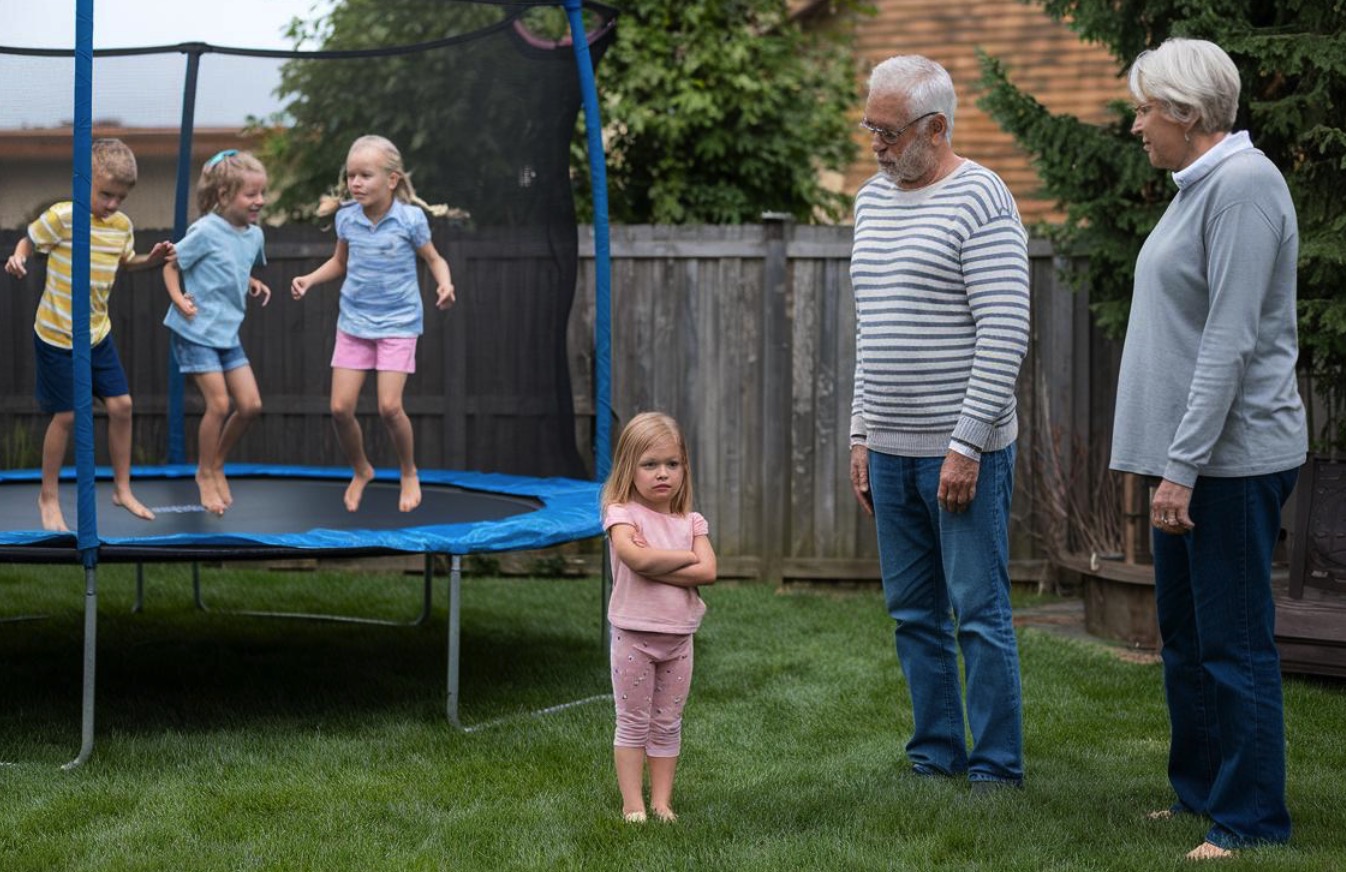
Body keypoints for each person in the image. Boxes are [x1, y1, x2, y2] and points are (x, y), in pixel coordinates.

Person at [1110, 38, 1306, 862]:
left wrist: (1182, 467)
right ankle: (1201, 795)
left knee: (1234, 642)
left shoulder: (1244, 188)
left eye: (1146, 108)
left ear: (1187, 115)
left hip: (1232, 460)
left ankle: (1251, 818)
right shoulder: (1198, 188)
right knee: (1188, 639)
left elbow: (1227, 343)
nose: (1136, 125)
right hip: (1188, 460)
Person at [847, 55, 1031, 791]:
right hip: (888, 451)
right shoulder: (869, 200)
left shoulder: (982, 197)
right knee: (912, 615)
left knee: (979, 613)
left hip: (963, 455)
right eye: (870, 129)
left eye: (889, 134)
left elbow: (1005, 331)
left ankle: (995, 767)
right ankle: (935, 754)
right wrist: (861, 434)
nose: (877, 146)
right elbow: (872, 329)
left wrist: (965, 444)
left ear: (935, 128)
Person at [4, 138, 175, 532]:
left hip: (97, 334)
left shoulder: (122, 227)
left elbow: (125, 263)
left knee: (122, 406)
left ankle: (122, 488)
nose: (113, 204)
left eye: (120, 197)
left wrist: (148, 261)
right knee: (66, 414)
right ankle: (47, 497)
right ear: (85, 183)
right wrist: (19, 259)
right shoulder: (64, 216)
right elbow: (29, 241)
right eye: (105, 194)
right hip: (56, 335)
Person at [290, 135, 455, 513]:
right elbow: (340, 263)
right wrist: (310, 279)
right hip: (354, 322)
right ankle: (361, 468)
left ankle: (408, 470)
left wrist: (445, 283)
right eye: (351, 176)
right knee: (340, 409)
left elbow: (434, 259)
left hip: (398, 322)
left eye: (365, 175)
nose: (355, 183)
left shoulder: (410, 219)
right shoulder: (346, 217)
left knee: (389, 407)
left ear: (392, 180)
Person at [600, 412, 717, 824]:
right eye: (650, 465)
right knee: (633, 721)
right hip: (634, 637)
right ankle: (633, 805)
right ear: (629, 468)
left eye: (672, 464)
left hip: (679, 640)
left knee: (667, 722)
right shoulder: (622, 515)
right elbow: (636, 558)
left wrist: (663, 562)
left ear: (685, 467)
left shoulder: (692, 522)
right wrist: (685, 556)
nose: (662, 474)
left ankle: (662, 802)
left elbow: (708, 571)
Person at [162, 149, 271, 515]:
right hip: (195, 330)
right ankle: (204, 474)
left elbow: (233, 266)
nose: (260, 201)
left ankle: (217, 462)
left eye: (262, 193)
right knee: (220, 404)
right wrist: (178, 298)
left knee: (251, 405)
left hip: (227, 333)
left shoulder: (254, 236)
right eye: (251, 194)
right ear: (224, 195)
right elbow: (171, 263)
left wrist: (252, 280)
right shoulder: (205, 230)